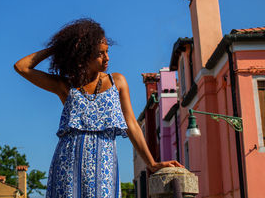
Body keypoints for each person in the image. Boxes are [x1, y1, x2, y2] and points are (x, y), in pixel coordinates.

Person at [14, 18, 182, 197]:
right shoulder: (66, 86)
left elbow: (131, 124)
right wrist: (60, 47)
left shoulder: (117, 82)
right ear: (83, 55)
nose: (107, 58)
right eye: (100, 54)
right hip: (68, 165)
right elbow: (22, 67)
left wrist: (152, 164)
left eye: (107, 52)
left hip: (105, 165)